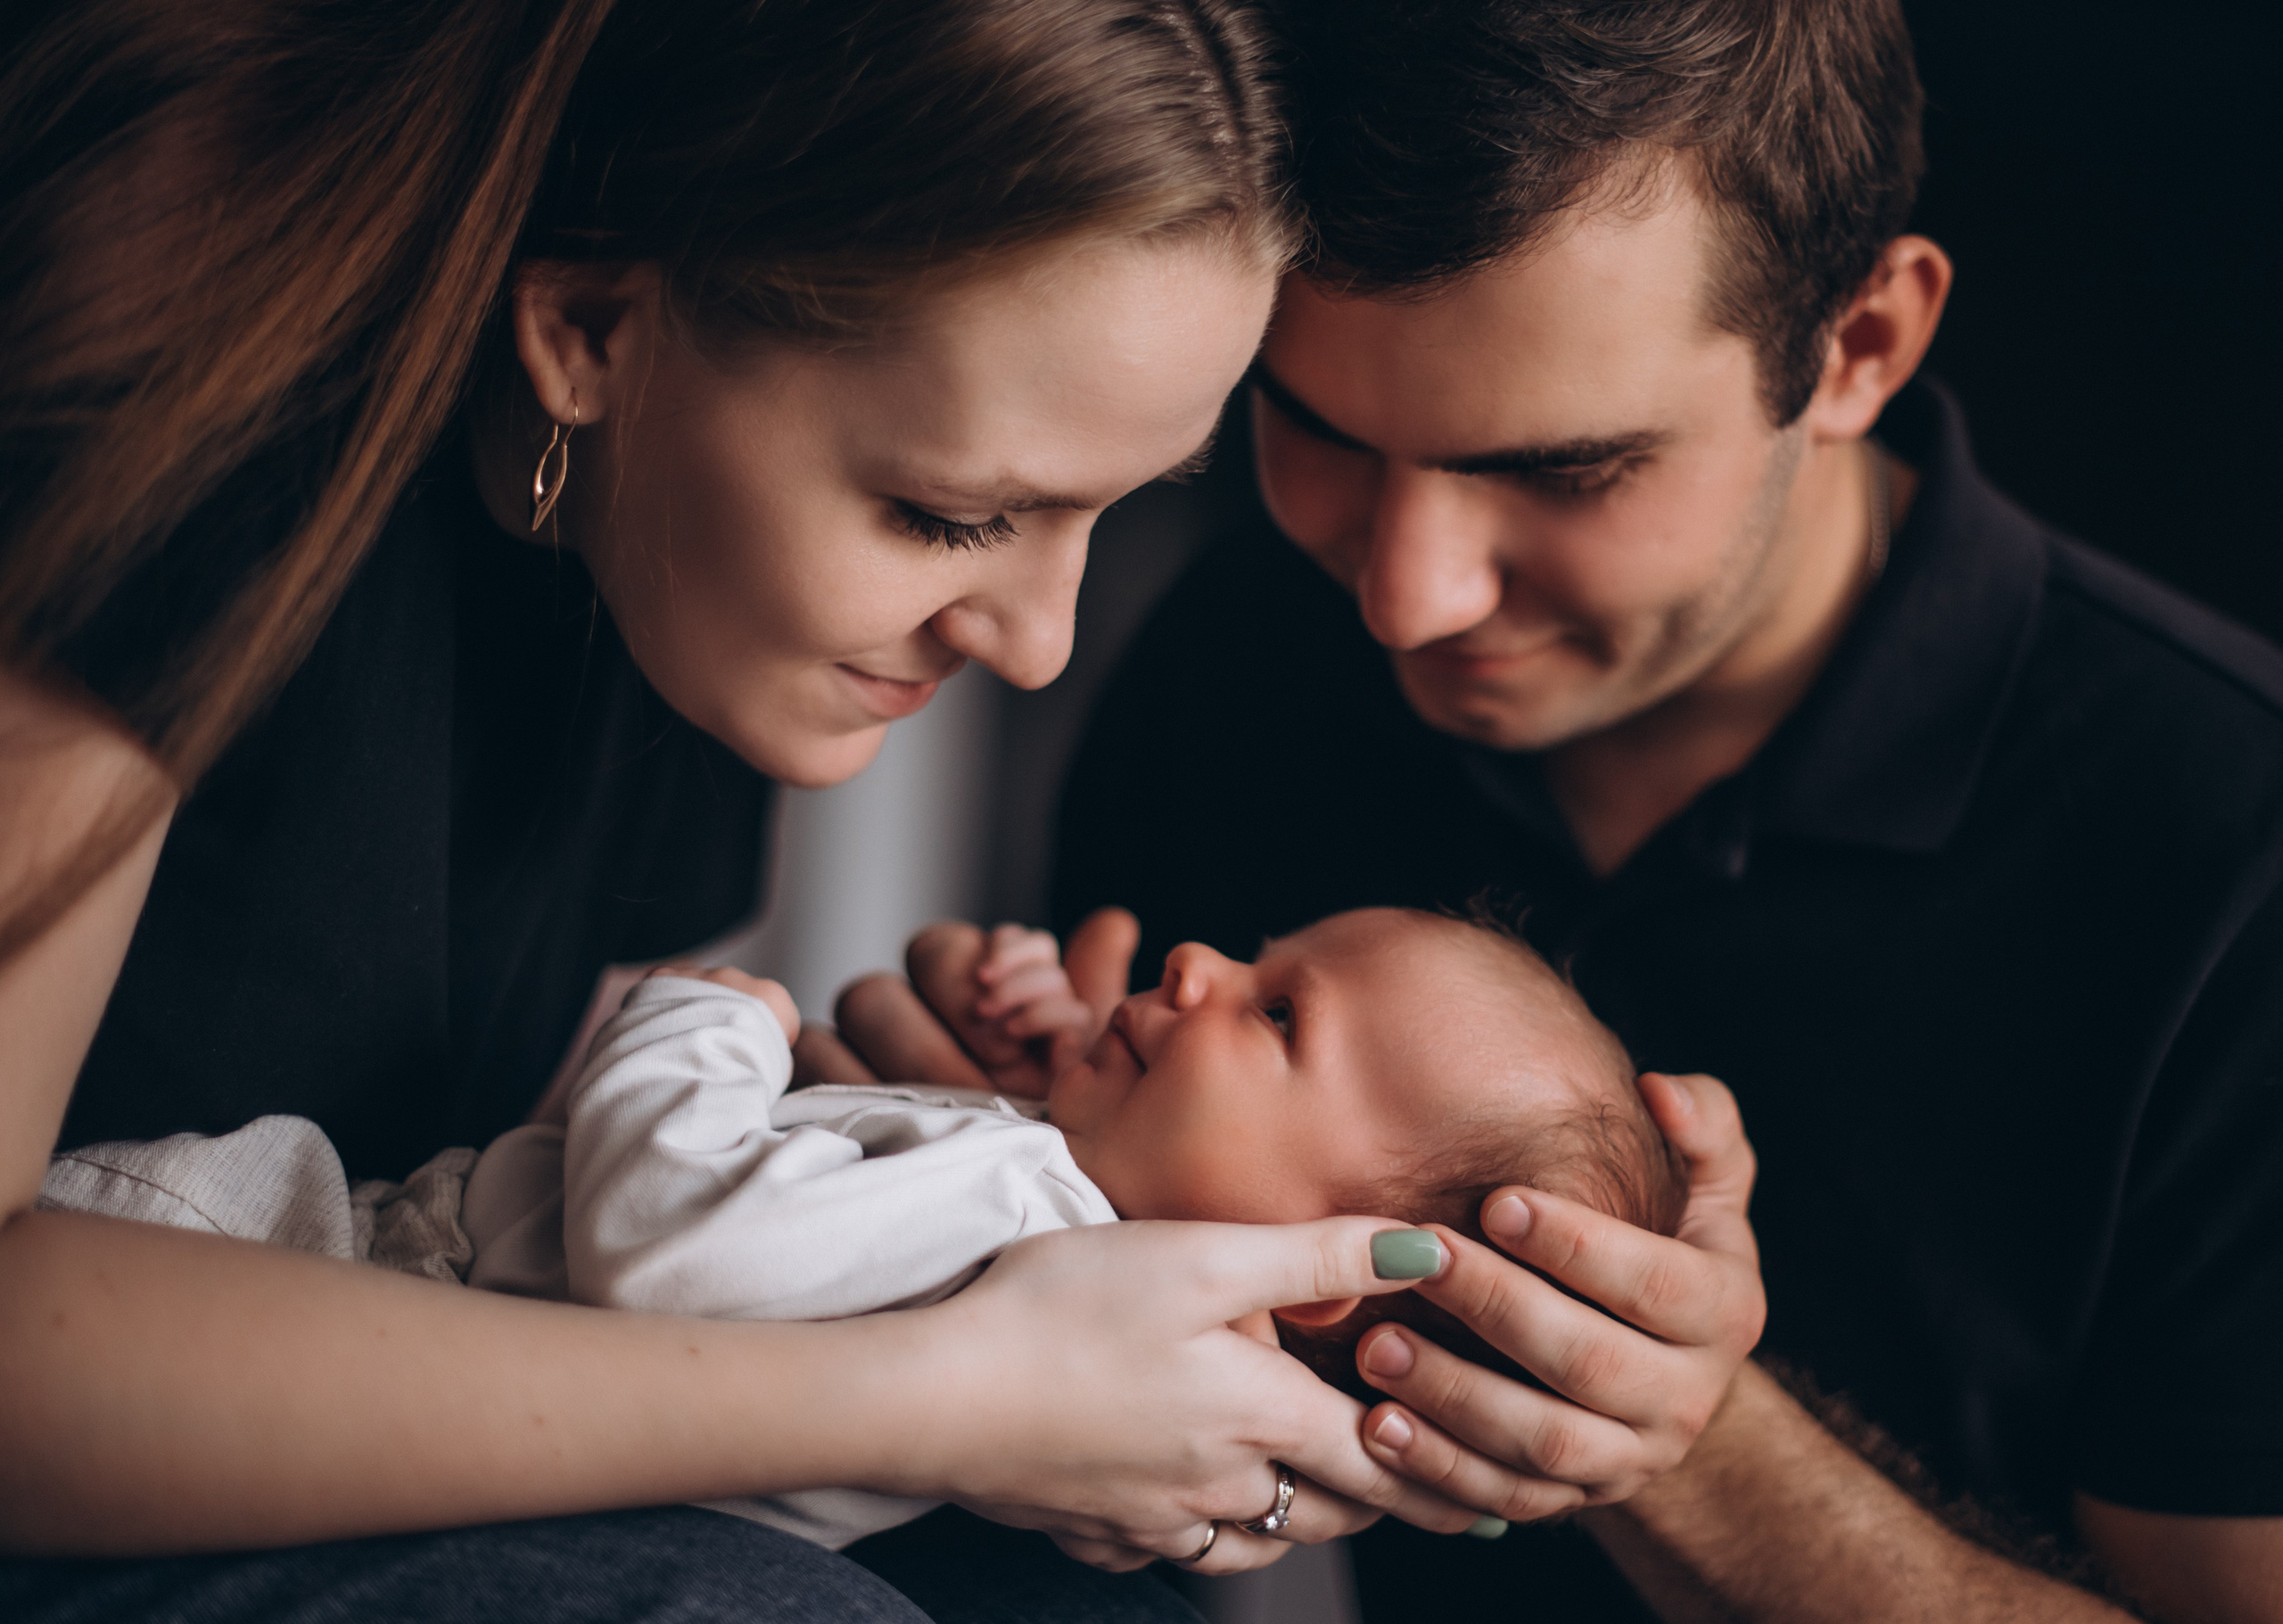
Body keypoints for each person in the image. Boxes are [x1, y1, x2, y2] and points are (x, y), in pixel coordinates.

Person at [0, 3, 1541, 1619]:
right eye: (954, 516)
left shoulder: (690, 581)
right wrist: (968, 1396)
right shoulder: (177, 368)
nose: (1038, 643)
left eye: (1113, 507)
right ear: (588, 331)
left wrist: (971, 1153)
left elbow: (529, 1183)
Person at [1034, 0, 2283, 1618]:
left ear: (1860, 347)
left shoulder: (2234, 876)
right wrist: (963, 1153)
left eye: (1564, 470)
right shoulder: (1244, 665)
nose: (1407, 600)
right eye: (1322, 428)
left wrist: (1681, 1442)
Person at [239, 904, 1667, 1553]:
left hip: (340, 1264)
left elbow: (661, 1239)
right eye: (1256, 950)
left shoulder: (1019, 1207)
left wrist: (705, 1026)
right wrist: (1042, 1068)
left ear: (1322, 1272)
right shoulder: (1078, 1302)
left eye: (1279, 1012)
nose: (1200, 959)